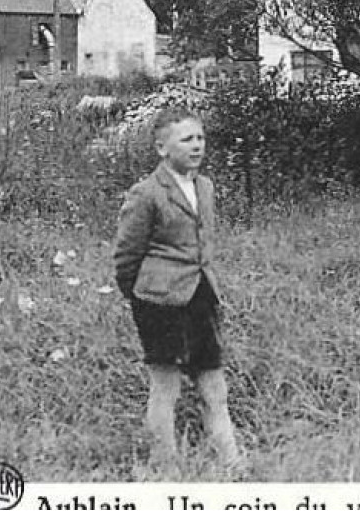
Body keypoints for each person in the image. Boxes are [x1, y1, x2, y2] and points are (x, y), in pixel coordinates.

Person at [112, 107, 243, 470]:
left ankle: (233, 463)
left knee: (214, 385)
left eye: (200, 138)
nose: (197, 146)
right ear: (162, 148)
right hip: (159, 302)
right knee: (165, 386)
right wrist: (142, 294)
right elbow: (126, 255)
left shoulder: (205, 187)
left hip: (200, 294)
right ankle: (165, 468)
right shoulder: (146, 193)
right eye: (187, 139)